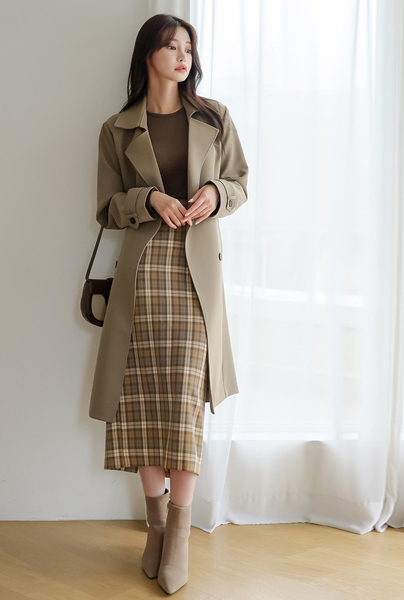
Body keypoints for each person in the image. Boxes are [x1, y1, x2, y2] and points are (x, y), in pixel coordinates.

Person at [88, 13, 248, 595]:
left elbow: (240, 183)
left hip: (196, 275)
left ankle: (179, 533)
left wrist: (214, 193)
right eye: (171, 46)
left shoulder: (214, 117)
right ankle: (155, 527)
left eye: (188, 48)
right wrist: (150, 199)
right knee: (141, 400)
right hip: (142, 273)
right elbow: (106, 208)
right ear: (147, 55)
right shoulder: (117, 128)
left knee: (182, 404)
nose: (183, 56)